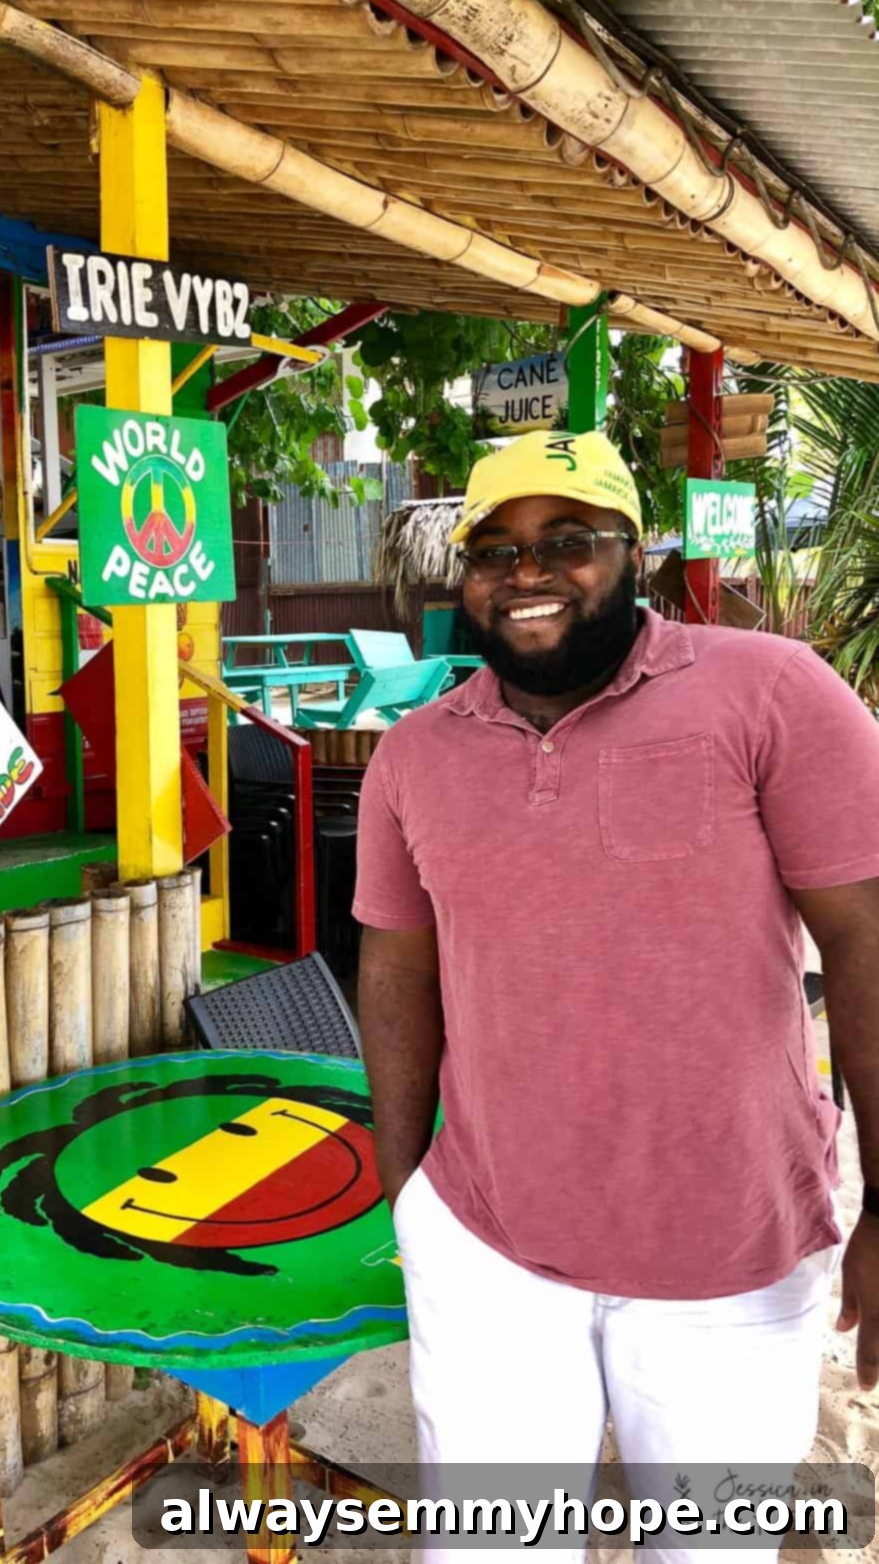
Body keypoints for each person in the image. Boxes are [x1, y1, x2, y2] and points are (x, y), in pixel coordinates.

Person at [354, 429, 879, 1558]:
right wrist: (409, 1197)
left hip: (729, 1256)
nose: (526, 572)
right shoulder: (414, 756)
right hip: (490, 1247)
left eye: (568, 541)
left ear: (634, 555)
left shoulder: (775, 695)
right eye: (493, 549)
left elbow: (867, 945)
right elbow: (397, 968)